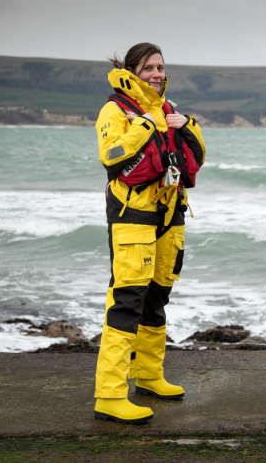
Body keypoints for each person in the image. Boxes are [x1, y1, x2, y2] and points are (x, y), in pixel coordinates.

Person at [93, 42, 205, 424]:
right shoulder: (115, 110)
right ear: (131, 72)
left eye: (160, 67)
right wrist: (145, 126)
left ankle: (149, 376)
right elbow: (111, 155)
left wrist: (186, 125)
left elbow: (198, 158)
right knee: (126, 300)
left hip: (171, 214)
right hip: (133, 217)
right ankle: (109, 394)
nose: (157, 74)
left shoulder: (168, 109)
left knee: (157, 298)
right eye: (148, 68)